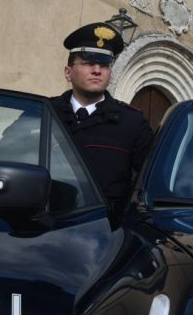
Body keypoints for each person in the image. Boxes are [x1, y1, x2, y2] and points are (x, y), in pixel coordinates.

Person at [51, 21, 154, 221]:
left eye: (104, 65)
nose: (97, 70)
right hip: (42, 229)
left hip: (104, 233)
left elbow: (153, 181)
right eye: (88, 63)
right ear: (68, 72)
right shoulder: (45, 113)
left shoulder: (132, 123)